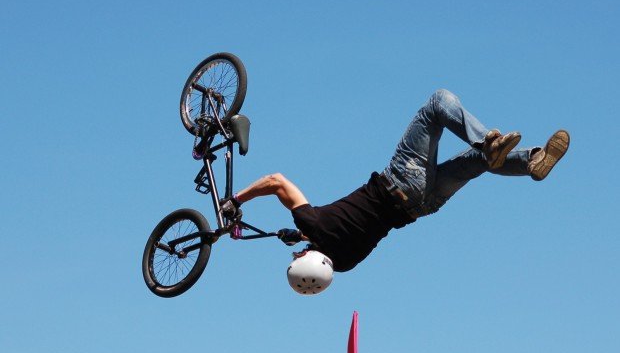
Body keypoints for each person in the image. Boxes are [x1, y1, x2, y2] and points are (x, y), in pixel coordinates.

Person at [220, 89, 570, 294]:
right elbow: (276, 182)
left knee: (478, 162)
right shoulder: (316, 225)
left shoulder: (345, 264)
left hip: (422, 206)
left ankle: (530, 162)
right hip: (402, 179)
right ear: (305, 258)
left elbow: (345, 230)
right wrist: (235, 200)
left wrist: (300, 234)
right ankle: (488, 140)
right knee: (437, 103)